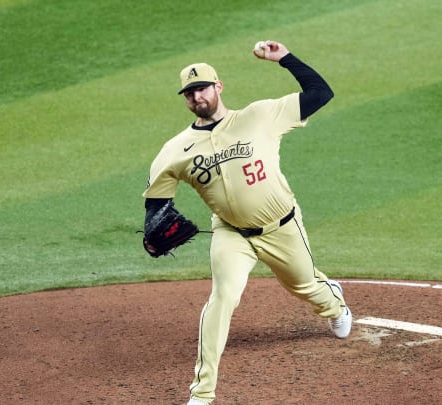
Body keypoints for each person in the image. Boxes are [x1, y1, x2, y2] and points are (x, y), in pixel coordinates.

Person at [142, 40, 351, 405]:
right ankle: (202, 394)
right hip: (230, 233)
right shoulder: (175, 150)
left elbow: (321, 92)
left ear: (218, 87)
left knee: (305, 287)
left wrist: (284, 58)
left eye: (202, 88)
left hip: (282, 226)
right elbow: (157, 201)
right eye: (189, 93)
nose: (197, 97)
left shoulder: (260, 115)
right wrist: (151, 230)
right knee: (222, 298)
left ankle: (334, 303)